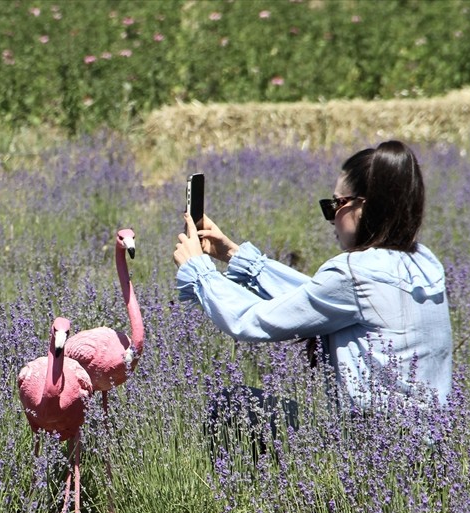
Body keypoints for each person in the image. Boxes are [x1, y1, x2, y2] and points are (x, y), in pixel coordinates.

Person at [172, 141, 453, 444]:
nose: (331, 218)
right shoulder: (423, 262)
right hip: (430, 454)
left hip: (372, 455)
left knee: (234, 405)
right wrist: (233, 255)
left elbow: (252, 320)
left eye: (335, 205)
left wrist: (200, 272)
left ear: (366, 206)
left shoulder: (354, 272)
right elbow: (316, 298)